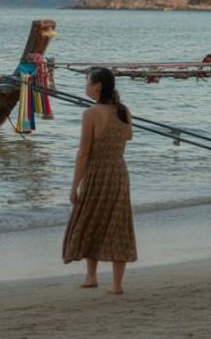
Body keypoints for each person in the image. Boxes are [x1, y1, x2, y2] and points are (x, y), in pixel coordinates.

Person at [62, 67, 137, 294]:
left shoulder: (91, 113)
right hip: (118, 172)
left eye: (87, 82)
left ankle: (92, 276)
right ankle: (116, 283)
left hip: (97, 173)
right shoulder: (123, 110)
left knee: (89, 219)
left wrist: (74, 185)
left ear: (97, 86)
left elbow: (83, 152)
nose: (85, 86)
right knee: (118, 223)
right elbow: (129, 136)